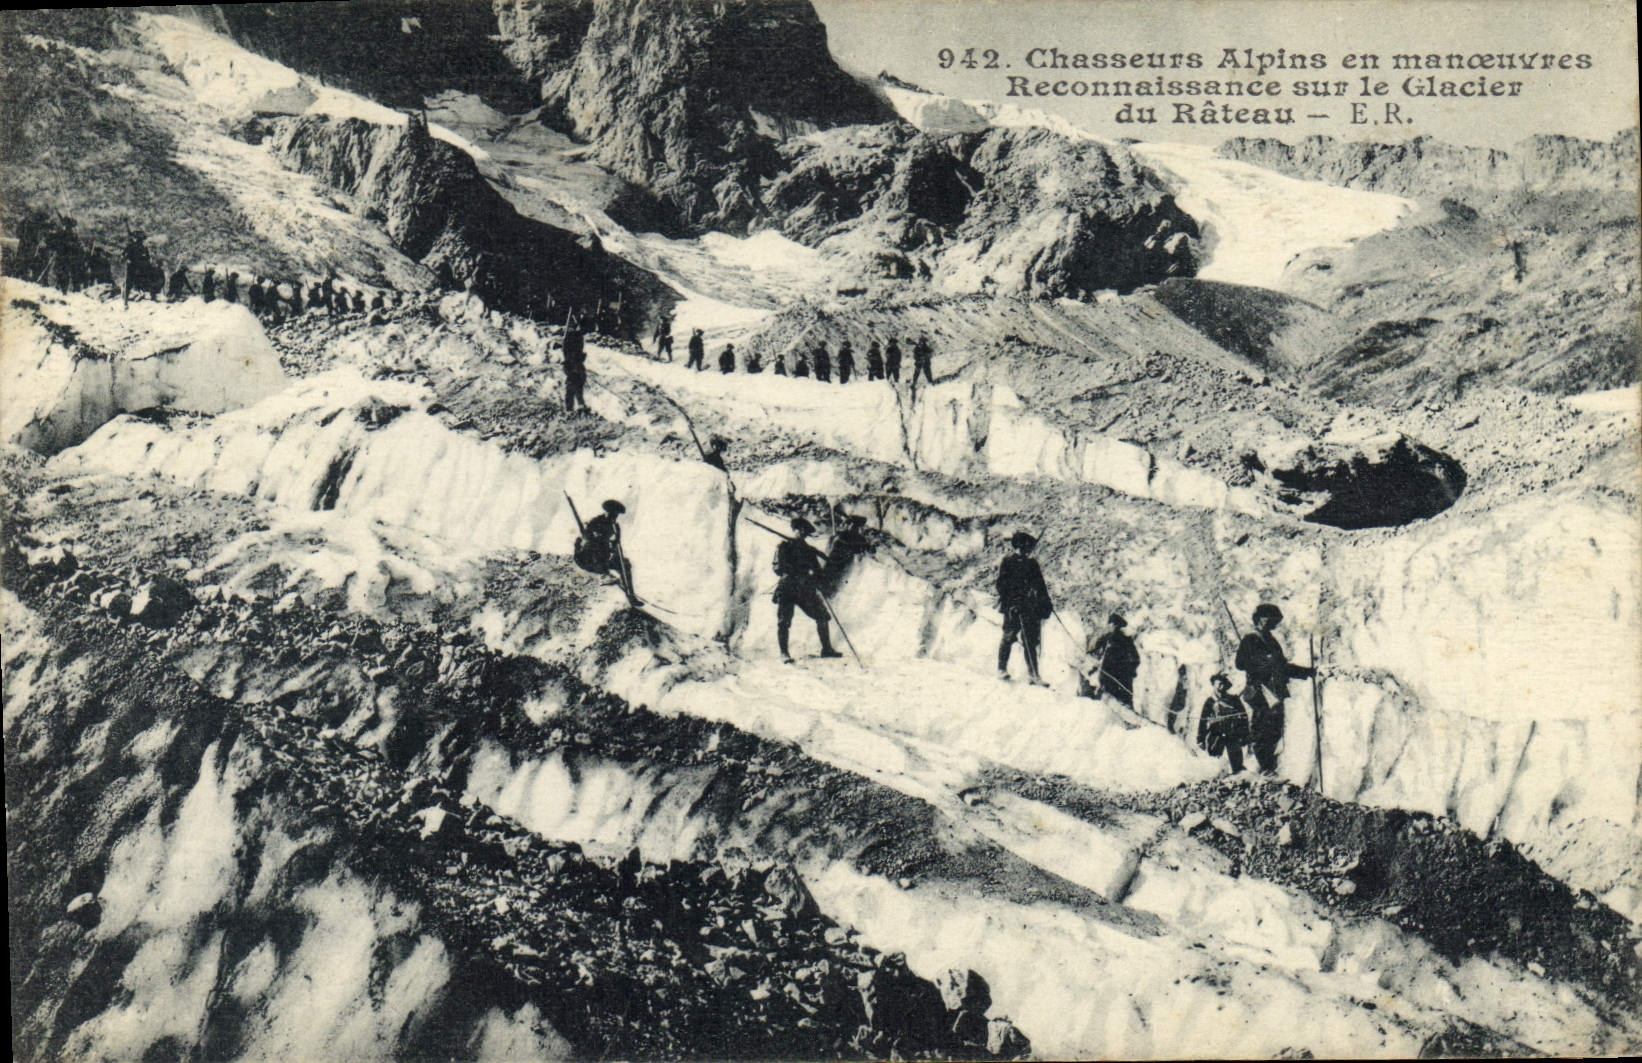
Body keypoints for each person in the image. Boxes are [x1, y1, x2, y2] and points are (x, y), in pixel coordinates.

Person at [1236, 603, 1315, 775]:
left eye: (1273, 621)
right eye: (1267, 619)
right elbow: (1240, 664)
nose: (1270, 623)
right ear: (1258, 619)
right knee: (1262, 729)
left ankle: (1268, 766)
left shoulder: (1271, 640)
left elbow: (1282, 666)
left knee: (1274, 729)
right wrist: (1262, 663)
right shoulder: (1251, 639)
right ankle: (1264, 767)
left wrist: (1306, 672)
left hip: (1274, 691)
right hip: (1260, 690)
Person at [773, 516, 841, 663]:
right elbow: (777, 567)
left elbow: (817, 571)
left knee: (822, 616)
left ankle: (827, 649)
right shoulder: (784, 547)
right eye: (799, 530)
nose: (801, 533)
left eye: (804, 532)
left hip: (805, 589)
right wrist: (794, 570)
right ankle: (784, 653)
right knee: (784, 621)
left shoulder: (809, 551)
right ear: (795, 530)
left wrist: (818, 581)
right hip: (788, 588)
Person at [996, 531, 1051, 685]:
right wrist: (1012, 602)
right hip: (1012, 608)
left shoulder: (1032, 564)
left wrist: (1046, 603)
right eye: (1026, 547)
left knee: (1030, 641)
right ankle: (1001, 669)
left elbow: (1040, 586)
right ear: (1019, 546)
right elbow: (1001, 585)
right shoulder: (1007, 562)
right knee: (1008, 637)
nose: (1028, 550)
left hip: (1029, 609)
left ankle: (1034, 675)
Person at [575, 499, 637, 604]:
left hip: (603, 557)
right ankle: (605, 576)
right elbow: (585, 538)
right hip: (587, 557)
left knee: (626, 565)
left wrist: (615, 550)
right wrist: (594, 537)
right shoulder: (595, 522)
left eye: (616, 515)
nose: (614, 517)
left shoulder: (615, 528)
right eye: (612, 514)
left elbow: (617, 545)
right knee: (597, 547)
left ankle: (631, 595)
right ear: (607, 512)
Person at [1197, 673, 1249, 774]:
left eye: (1223, 683)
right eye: (1219, 683)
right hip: (1216, 734)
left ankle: (1238, 775)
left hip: (1232, 733)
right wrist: (1200, 738)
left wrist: (1245, 734)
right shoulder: (1210, 701)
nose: (1222, 686)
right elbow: (1203, 721)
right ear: (1214, 684)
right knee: (1215, 760)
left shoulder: (1234, 700)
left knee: (1236, 760)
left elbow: (1244, 717)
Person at [1090, 614, 1140, 708]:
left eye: (1111, 625)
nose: (1110, 627)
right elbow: (1136, 658)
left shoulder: (1116, 639)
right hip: (1117, 676)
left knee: (1116, 700)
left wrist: (1131, 670)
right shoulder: (1116, 639)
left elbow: (1135, 658)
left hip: (1116, 676)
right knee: (1122, 701)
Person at [821, 513, 872, 595]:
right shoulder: (843, 535)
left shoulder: (856, 538)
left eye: (855, 526)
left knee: (835, 583)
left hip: (841, 563)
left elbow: (867, 550)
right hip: (834, 560)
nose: (852, 527)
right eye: (851, 525)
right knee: (828, 580)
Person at [561, 322, 589, 412]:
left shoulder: (574, 338)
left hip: (574, 366)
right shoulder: (575, 337)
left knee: (574, 388)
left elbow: (568, 352)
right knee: (573, 388)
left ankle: (575, 407)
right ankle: (576, 406)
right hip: (573, 366)